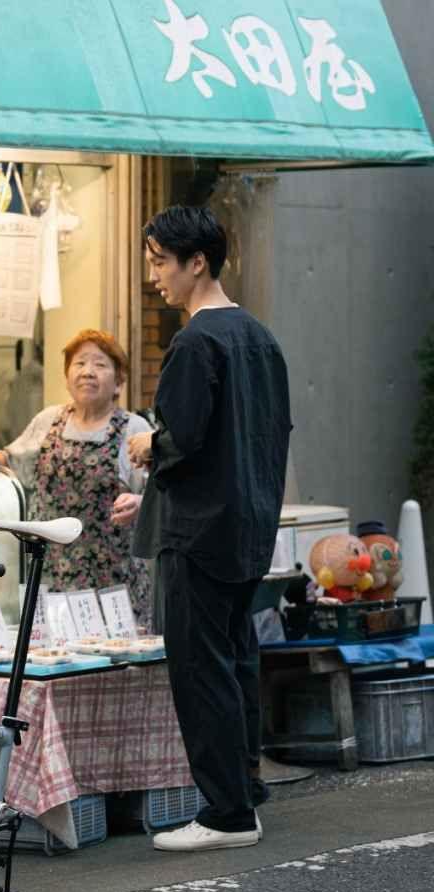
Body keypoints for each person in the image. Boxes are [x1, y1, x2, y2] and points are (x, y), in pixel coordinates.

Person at [129, 205, 291, 853]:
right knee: (235, 660)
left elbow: (182, 441)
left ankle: (225, 814)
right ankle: (244, 790)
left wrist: (147, 445)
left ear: (197, 263)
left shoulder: (197, 341)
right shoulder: (260, 337)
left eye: (160, 262)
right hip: (249, 525)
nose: (153, 278)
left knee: (200, 667)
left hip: (197, 528)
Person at [0, 329, 153, 623]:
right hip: (51, 574)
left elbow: (161, 493)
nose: (88, 372)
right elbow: (10, 463)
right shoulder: (48, 420)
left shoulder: (134, 429)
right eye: (79, 364)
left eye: (100, 365)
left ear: (119, 381)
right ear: (66, 377)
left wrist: (140, 502)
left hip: (113, 582)